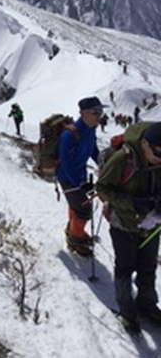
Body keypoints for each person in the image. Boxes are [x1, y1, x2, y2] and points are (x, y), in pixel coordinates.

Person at [97, 122, 161, 334]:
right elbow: (102, 188)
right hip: (123, 224)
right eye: (157, 151)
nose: (160, 157)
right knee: (125, 267)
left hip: (153, 223)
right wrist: (132, 203)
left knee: (148, 266)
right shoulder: (123, 159)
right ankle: (127, 313)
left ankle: (147, 305)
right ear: (144, 144)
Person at [57, 96, 105, 256]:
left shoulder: (90, 130)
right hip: (68, 178)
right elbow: (66, 163)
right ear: (83, 113)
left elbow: (92, 150)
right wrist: (79, 183)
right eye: (96, 112)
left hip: (80, 177)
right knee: (84, 210)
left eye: (101, 112)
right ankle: (75, 241)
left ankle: (73, 231)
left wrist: (104, 164)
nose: (100, 116)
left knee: (77, 206)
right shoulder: (70, 134)